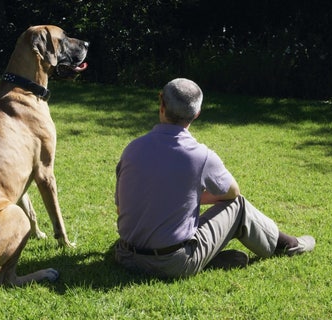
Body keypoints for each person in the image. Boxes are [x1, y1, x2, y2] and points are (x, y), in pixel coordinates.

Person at [113, 78, 315, 278]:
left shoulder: (132, 149)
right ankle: (288, 245)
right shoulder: (200, 156)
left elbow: (122, 208)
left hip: (125, 255)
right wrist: (193, 196)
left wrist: (183, 195)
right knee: (239, 206)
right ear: (197, 113)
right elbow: (233, 193)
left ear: (161, 103)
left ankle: (208, 259)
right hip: (171, 263)